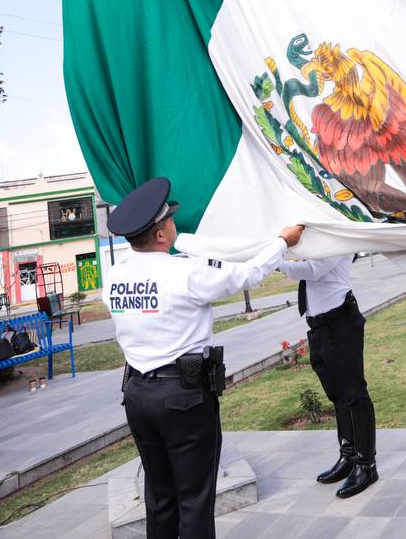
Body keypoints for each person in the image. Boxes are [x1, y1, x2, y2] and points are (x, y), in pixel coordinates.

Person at [107, 176, 303, 539]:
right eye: (170, 220)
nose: (174, 224)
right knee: (195, 499)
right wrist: (282, 242)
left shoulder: (114, 278)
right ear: (161, 235)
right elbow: (247, 275)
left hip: (137, 396)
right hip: (183, 400)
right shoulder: (184, 272)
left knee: (160, 496)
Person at [276, 252, 378, 498]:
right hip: (319, 324)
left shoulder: (333, 235)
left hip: (340, 321)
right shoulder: (314, 237)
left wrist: (274, 261)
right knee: (336, 393)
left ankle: (367, 465)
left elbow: (312, 269)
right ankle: (349, 455)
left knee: (353, 392)